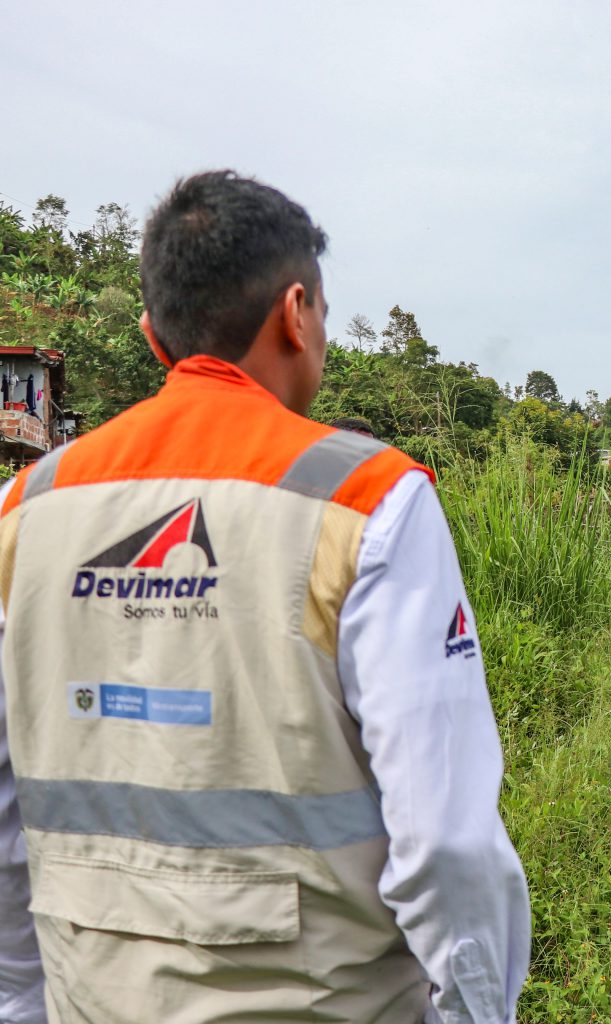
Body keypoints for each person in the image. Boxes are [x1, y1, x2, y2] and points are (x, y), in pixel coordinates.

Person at [0, 171, 529, 1024]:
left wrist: (26, 1002)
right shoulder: (370, 501)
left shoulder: (26, 511)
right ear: (296, 312)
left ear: (150, 334)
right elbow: (446, 843)